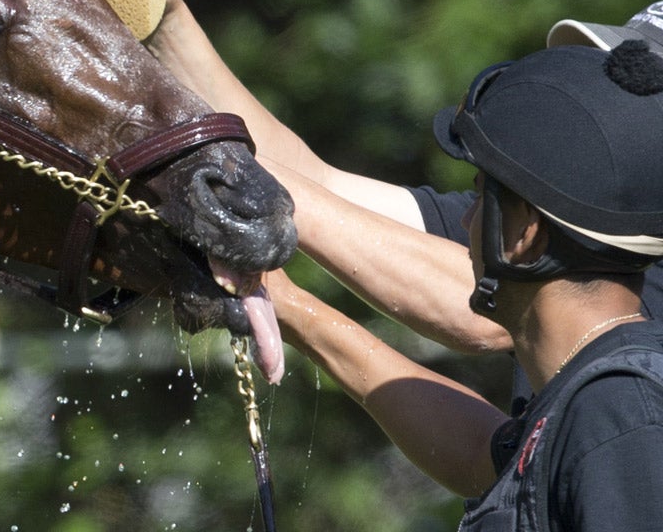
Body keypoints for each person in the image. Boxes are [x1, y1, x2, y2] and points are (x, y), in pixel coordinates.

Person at [150, 0, 663, 367]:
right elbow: (320, 181)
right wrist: (167, 18)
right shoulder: (522, 219)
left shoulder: (618, 265)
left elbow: (486, 308)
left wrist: (243, 182)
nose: (604, 100)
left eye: (636, 87)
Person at [264, 43, 663, 529]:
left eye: (478, 197)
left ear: (523, 233)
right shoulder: (592, 401)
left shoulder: (620, 418)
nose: (467, 220)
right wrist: (287, 305)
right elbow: (484, 454)